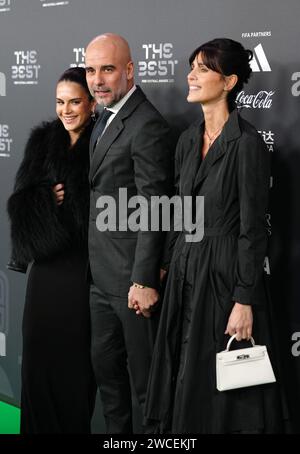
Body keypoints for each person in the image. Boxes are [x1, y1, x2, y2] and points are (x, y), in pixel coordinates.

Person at [143, 38, 285, 434]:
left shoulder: (248, 144)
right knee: (178, 369)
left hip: (222, 278)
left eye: (203, 69)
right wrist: (166, 265)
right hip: (185, 273)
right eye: (192, 66)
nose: (191, 75)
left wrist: (244, 299)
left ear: (229, 81)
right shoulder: (187, 140)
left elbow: (253, 230)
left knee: (212, 385)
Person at [85, 33, 173, 433]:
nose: (97, 79)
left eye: (107, 69)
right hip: (100, 279)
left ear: (130, 70)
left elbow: (156, 207)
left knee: (145, 389)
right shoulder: (103, 116)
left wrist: (142, 278)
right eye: (90, 70)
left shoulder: (146, 124)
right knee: (109, 384)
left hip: (130, 284)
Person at [7, 67, 97, 433]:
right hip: (44, 273)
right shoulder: (42, 141)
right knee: (37, 366)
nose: (67, 110)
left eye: (75, 101)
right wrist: (44, 200)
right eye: (60, 102)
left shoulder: (103, 143)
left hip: (82, 273)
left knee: (74, 369)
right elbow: (21, 205)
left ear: (92, 103)